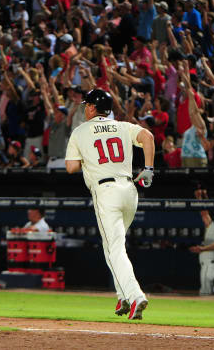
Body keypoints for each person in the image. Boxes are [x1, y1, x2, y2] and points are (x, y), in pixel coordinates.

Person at [65, 89, 155, 320]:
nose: (85, 108)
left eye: (87, 105)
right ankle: (123, 295)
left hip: (107, 192)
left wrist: (86, 156)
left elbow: (71, 167)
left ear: (93, 108)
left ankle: (135, 296)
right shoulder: (122, 126)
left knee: (115, 248)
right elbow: (148, 137)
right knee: (113, 246)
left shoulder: (80, 131)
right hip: (129, 191)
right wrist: (149, 168)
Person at [190, 187, 214, 296]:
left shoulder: (213, 226)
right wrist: (205, 196)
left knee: (205, 294)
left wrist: (199, 197)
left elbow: (204, 213)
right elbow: (208, 211)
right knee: (209, 294)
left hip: (209, 266)